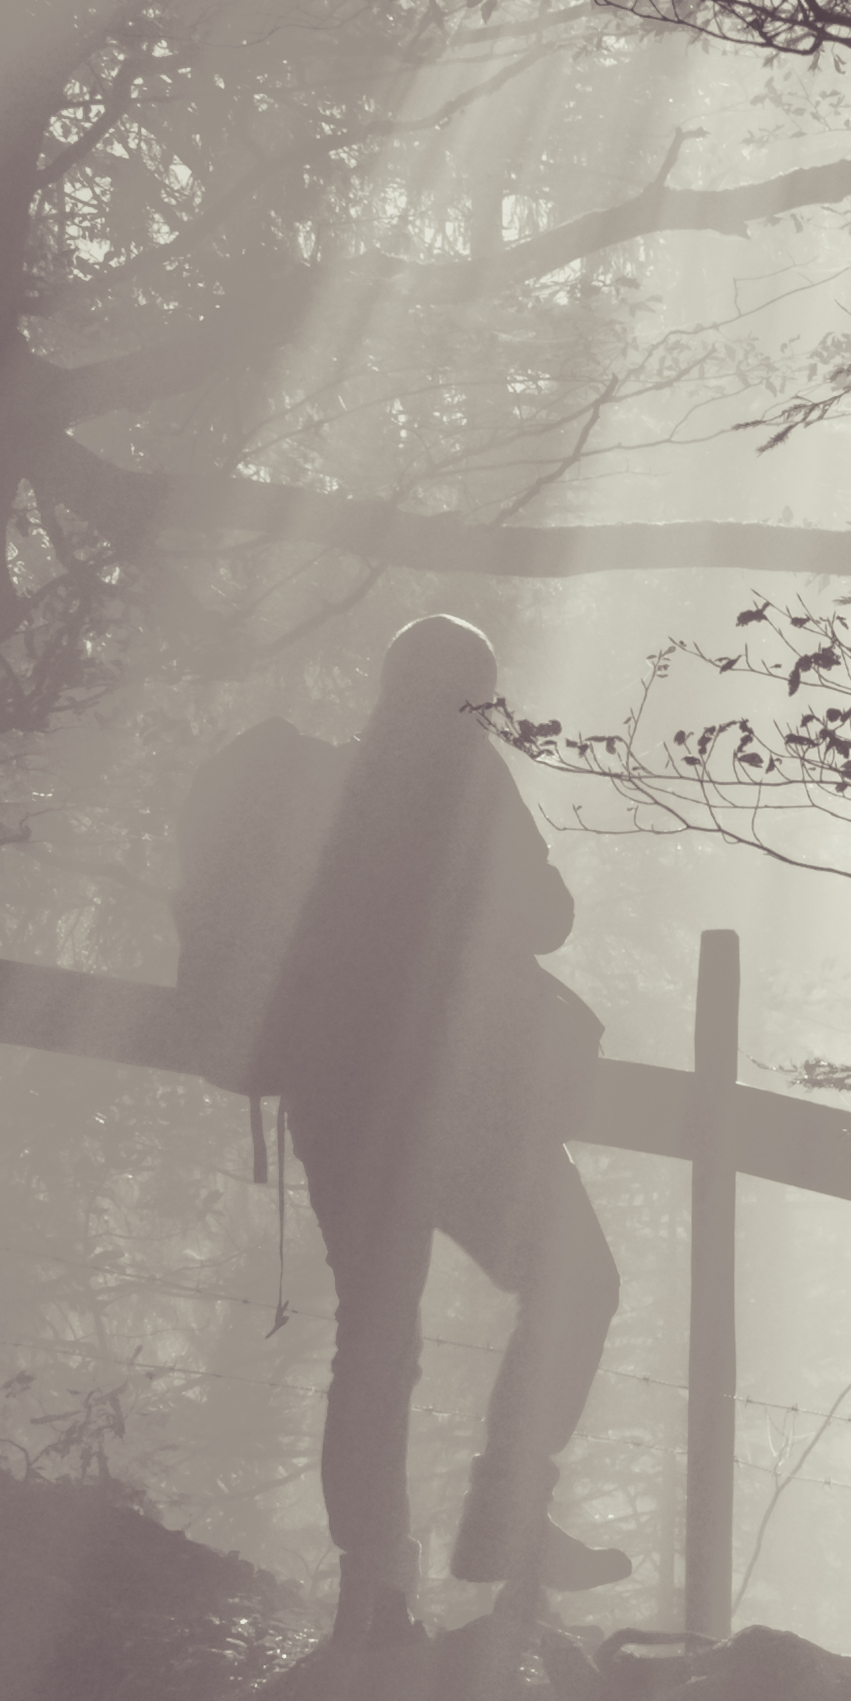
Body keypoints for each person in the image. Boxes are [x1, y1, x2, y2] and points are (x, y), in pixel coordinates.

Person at [263, 617, 627, 1640]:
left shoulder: (328, 786)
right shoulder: (467, 778)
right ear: (471, 690)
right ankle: (503, 1510)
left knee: (376, 1336)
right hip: (458, 1107)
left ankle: (376, 1585)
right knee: (577, 1281)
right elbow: (546, 913)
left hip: (337, 1105)